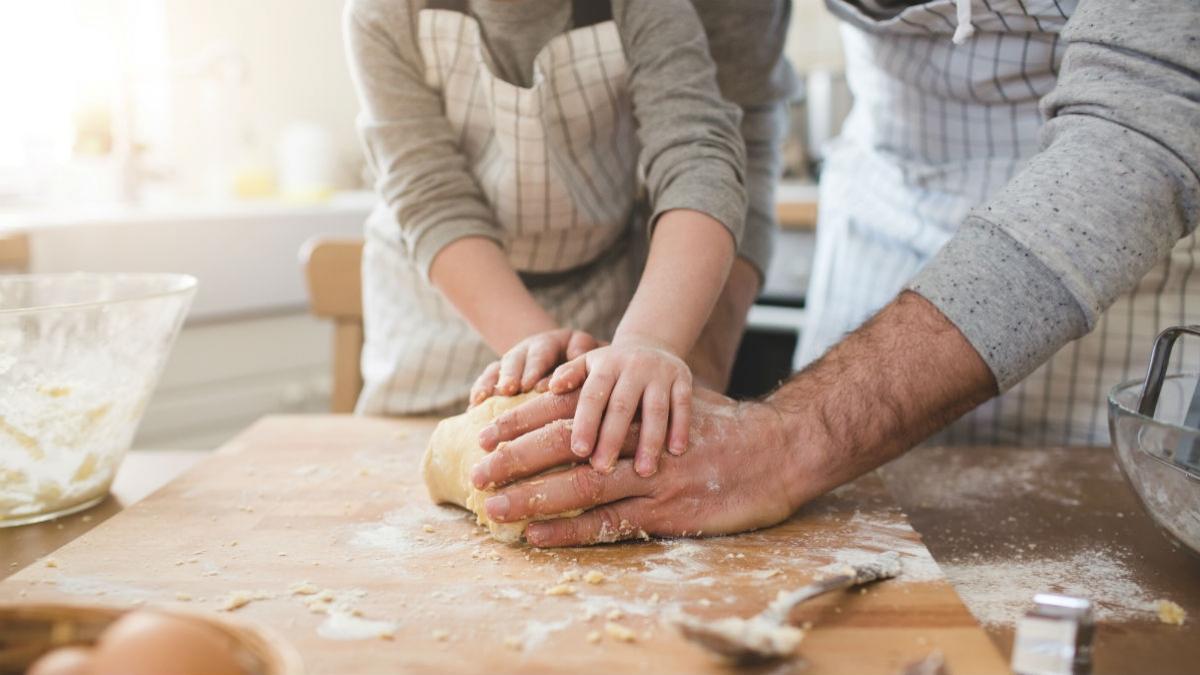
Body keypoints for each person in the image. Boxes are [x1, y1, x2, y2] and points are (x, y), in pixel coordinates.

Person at [463, 0, 1200, 547]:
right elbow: (733, 109)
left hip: (1114, 275)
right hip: (882, 242)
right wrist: (692, 378)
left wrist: (792, 438)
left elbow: (1137, 134)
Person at [343, 0, 792, 477]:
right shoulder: (382, 12)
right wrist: (541, 358)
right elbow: (433, 198)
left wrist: (649, 340)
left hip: (601, 310)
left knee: (598, 468)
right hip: (443, 306)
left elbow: (696, 161)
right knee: (406, 474)